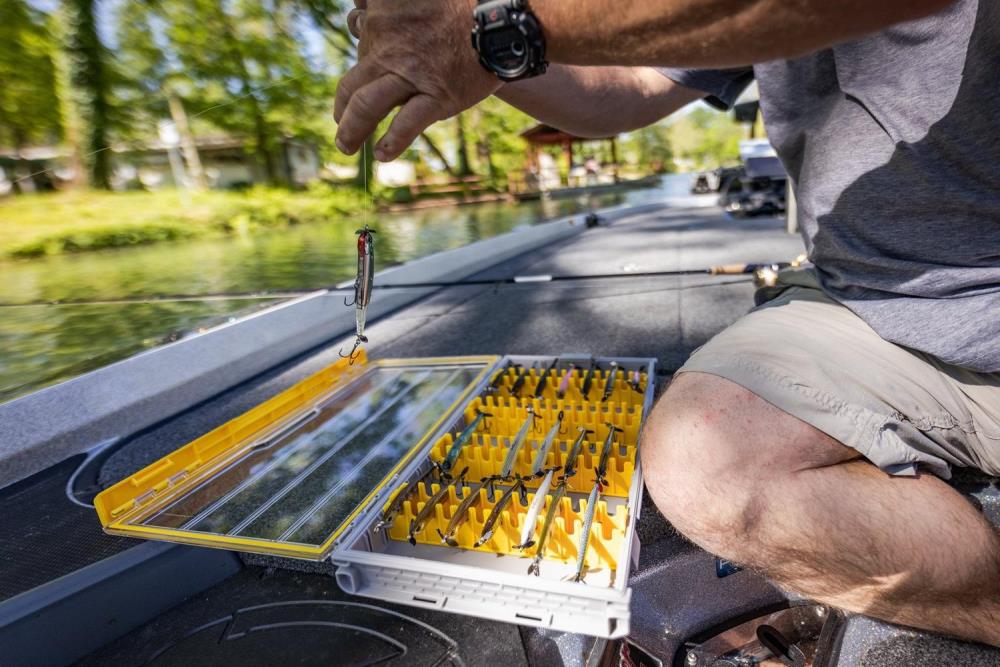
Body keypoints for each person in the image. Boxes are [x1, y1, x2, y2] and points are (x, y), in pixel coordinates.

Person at [335, 0, 1000, 647]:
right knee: (700, 456)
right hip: (853, 292)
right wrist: (481, 51)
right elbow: (627, 86)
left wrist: (489, 29)